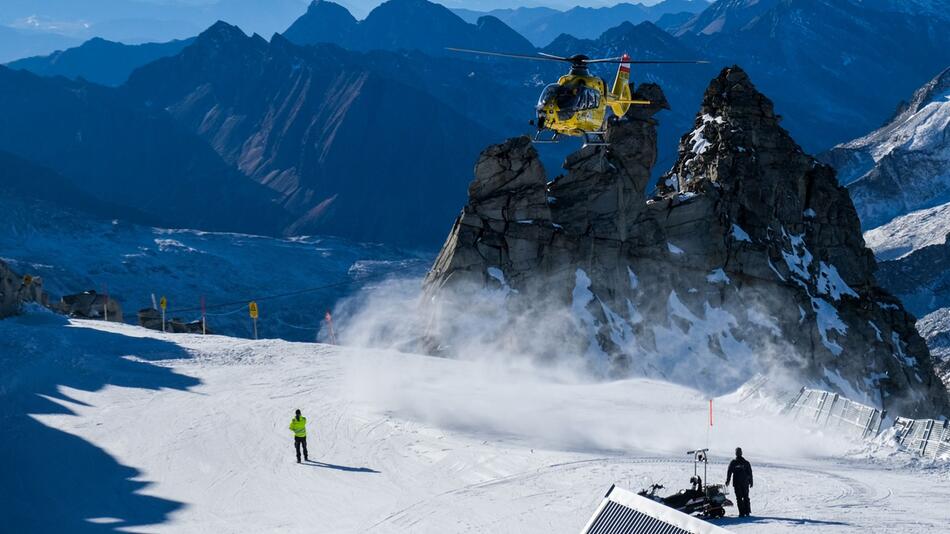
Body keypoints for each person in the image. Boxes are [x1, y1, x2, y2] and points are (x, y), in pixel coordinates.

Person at [726, 447, 753, 517]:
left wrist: (751, 481)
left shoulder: (746, 462)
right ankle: (742, 512)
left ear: (741, 453)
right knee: (740, 498)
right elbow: (729, 472)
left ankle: (746, 512)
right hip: (737, 483)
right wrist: (728, 480)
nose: (738, 453)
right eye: (737, 452)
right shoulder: (733, 462)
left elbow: (750, 472)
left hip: (744, 483)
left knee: (745, 497)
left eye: (739, 452)